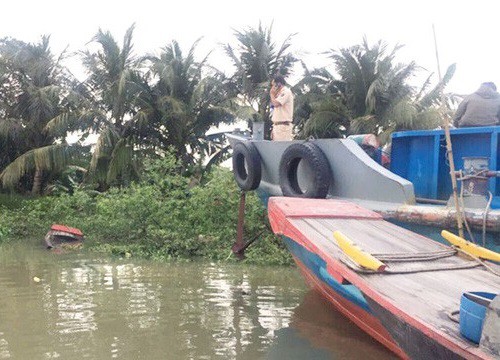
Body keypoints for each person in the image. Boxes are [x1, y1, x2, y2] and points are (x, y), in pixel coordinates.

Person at [270, 75, 294, 140]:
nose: (272, 87)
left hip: (283, 126)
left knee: (281, 148)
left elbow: (276, 104)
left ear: (279, 84)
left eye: (273, 85)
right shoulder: (279, 94)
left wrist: (272, 94)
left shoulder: (286, 92)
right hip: (277, 126)